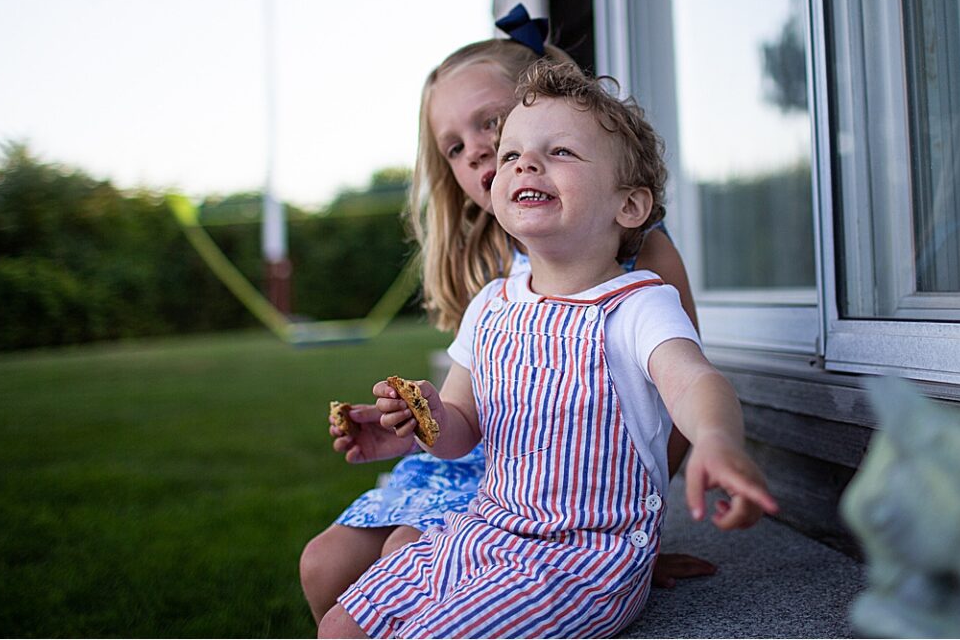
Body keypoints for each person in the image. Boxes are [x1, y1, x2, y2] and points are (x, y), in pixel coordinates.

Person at [321, 60, 776, 639]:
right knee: (341, 626)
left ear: (629, 206)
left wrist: (716, 439)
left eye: (560, 151)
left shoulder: (638, 305)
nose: (524, 164)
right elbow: (463, 426)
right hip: (484, 531)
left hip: (579, 559)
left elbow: (694, 381)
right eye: (511, 154)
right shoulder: (491, 305)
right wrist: (426, 421)